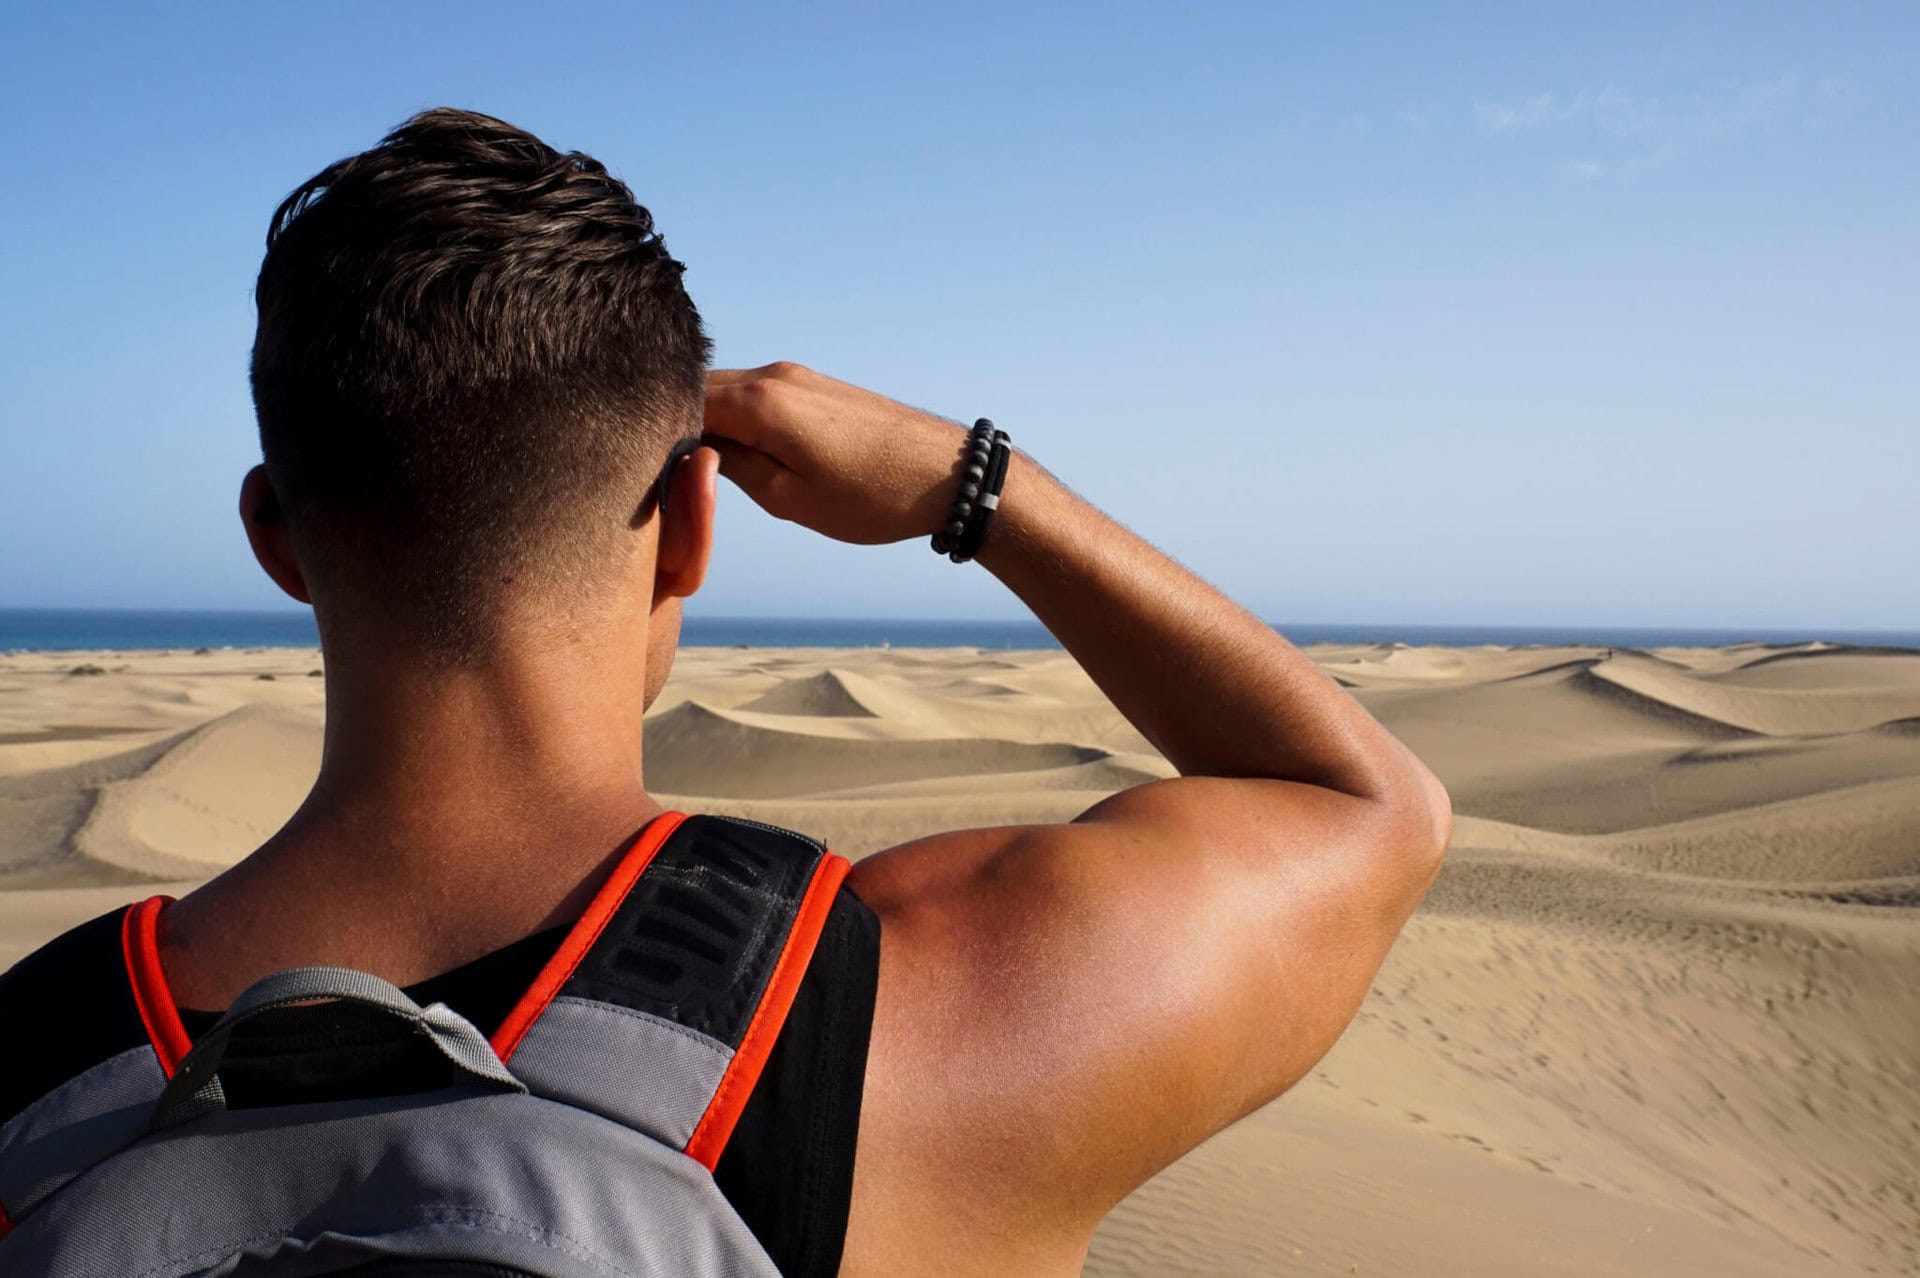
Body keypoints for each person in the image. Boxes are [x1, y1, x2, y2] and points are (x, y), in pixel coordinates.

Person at [0, 108, 1449, 1276]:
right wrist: (977, 487)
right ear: (695, 522)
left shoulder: (34, 1068)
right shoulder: (912, 1016)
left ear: (274, 536)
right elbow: (1371, 812)